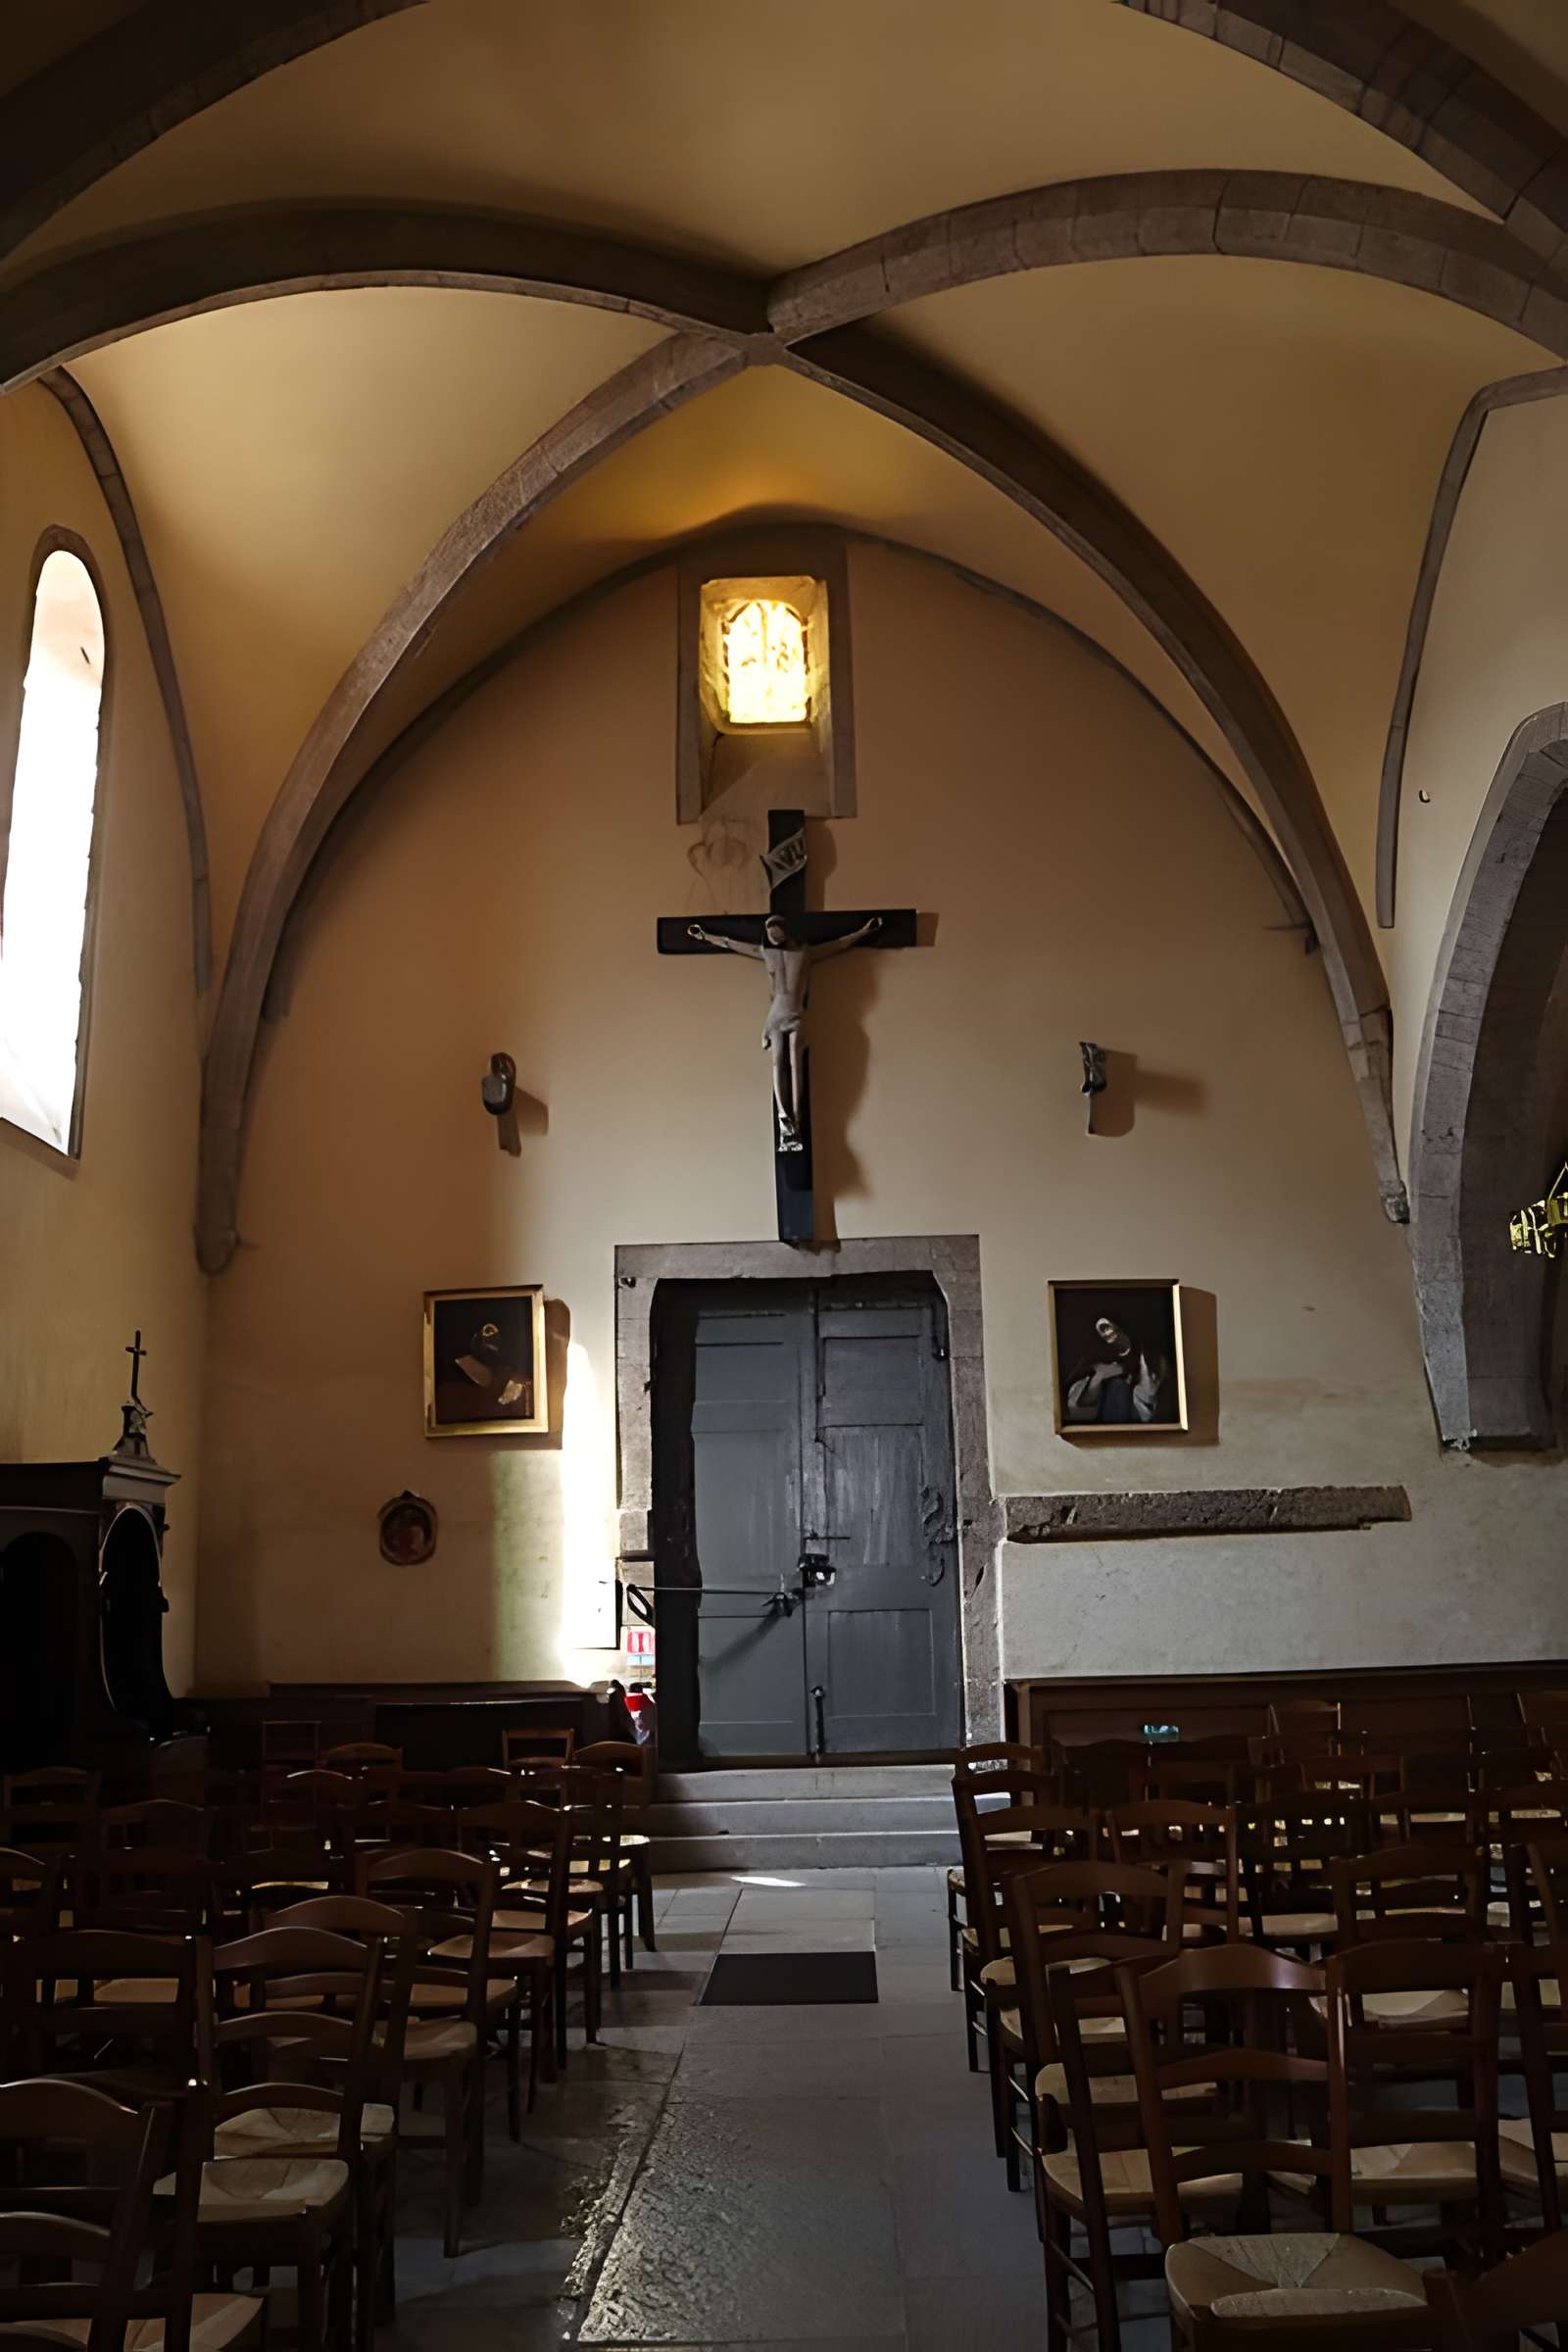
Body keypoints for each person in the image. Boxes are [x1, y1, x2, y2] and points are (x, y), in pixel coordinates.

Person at [687, 910, 882, 1149]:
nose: (773, 935)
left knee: (795, 1063)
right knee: (778, 1063)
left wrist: (863, 933)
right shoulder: (766, 952)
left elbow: (837, 945)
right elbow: (733, 944)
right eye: (770, 932)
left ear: (784, 930)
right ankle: (784, 1116)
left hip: (795, 1015)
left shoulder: (804, 953)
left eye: (776, 931)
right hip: (775, 1016)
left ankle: (797, 1117)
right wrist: (706, 936)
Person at [1064, 1311, 1170, 1425]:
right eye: (1101, 1329)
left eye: (1107, 1325)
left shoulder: (1149, 1355)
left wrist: (1125, 1371)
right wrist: (1100, 1377)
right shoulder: (1095, 1358)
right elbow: (1079, 1403)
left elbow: (1152, 1393)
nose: (1106, 1331)